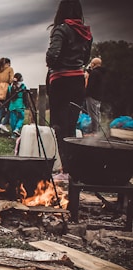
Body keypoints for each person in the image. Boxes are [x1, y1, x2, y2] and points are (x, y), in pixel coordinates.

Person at [46, 0, 92, 179]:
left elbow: (52, 56)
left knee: (58, 125)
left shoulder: (61, 29)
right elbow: (86, 57)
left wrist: (53, 65)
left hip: (61, 81)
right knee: (71, 126)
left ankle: (65, 169)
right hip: (78, 80)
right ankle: (71, 169)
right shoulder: (86, 33)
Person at [0, 57, 14, 133]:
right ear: (8, 63)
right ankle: (3, 123)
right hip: (5, 88)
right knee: (9, 109)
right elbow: (11, 79)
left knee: (0, 109)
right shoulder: (10, 69)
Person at [85, 57, 105, 134]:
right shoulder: (101, 73)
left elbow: (90, 85)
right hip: (99, 96)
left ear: (93, 64)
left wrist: (85, 94)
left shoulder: (94, 73)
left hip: (92, 96)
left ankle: (94, 131)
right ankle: (98, 130)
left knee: (92, 114)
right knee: (97, 113)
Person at [7, 72, 27, 137]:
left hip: (12, 105)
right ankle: (17, 128)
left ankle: (13, 134)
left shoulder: (10, 87)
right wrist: (26, 104)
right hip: (20, 104)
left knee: (13, 120)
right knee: (21, 117)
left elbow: (8, 97)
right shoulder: (23, 86)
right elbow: (25, 97)